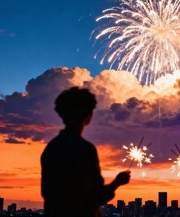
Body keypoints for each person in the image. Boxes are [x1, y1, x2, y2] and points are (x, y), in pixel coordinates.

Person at [41, 87, 131, 217]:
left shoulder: (51, 148)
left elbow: (47, 193)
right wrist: (117, 182)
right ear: (87, 116)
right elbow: (96, 196)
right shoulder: (84, 150)